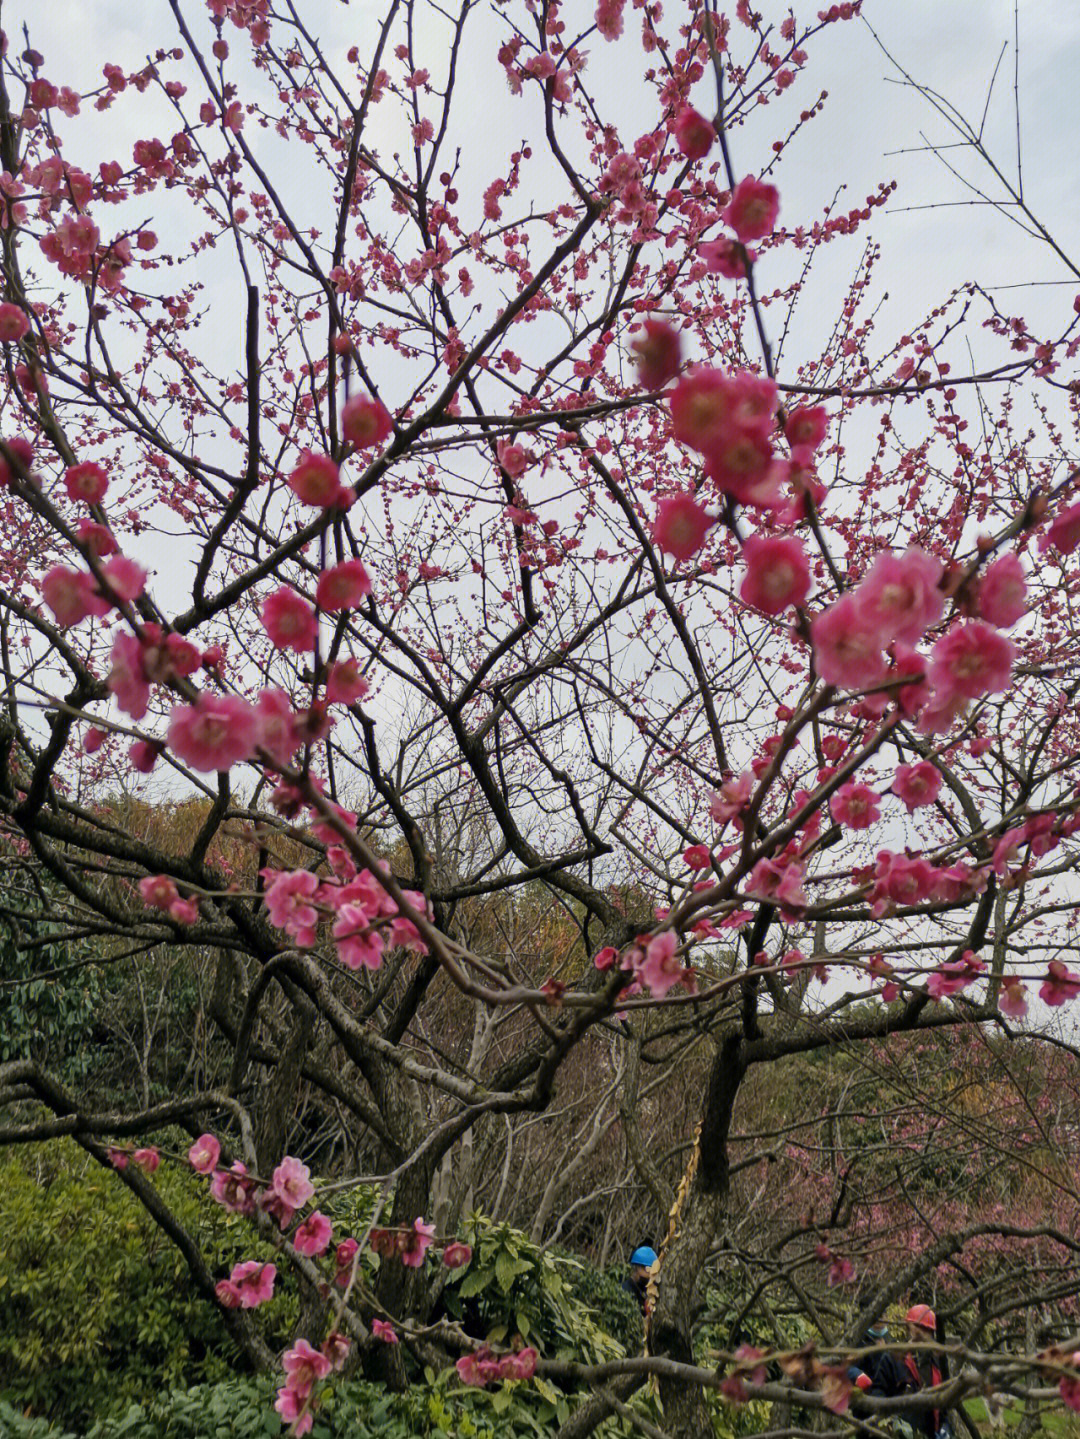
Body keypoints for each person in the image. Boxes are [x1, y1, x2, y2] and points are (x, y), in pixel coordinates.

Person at [870, 1304, 947, 1438]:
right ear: (908, 1327)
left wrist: (944, 1427)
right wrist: (888, 1422)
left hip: (930, 1431)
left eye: (926, 1329)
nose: (921, 1332)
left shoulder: (937, 1361)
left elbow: (945, 1399)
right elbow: (878, 1392)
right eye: (917, 1326)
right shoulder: (893, 1358)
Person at [624, 1244, 657, 1314]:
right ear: (635, 1268)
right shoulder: (625, 1292)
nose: (649, 1275)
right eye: (646, 1270)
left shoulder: (648, 1292)